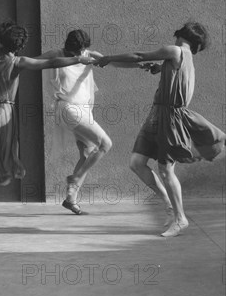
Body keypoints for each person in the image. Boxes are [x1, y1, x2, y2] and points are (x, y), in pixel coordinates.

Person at [94, 22, 226, 237]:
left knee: (166, 169)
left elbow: (138, 56)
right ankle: (169, 206)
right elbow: (173, 75)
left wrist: (108, 58)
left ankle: (180, 218)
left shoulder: (174, 50)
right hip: (157, 115)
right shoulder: (183, 57)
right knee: (137, 163)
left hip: (169, 118)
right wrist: (159, 69)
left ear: (181, 36)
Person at [0, 20, 95, 233]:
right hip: (0, 115)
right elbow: (50, 63)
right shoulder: (18, 62)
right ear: (19, 46)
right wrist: (78, 58)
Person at [37, 29, 141, 214]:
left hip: (84, 110)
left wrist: (141, 66)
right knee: (106, 143)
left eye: (82, 51)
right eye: (77, 52)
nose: (79, 55)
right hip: (69, 109)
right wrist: (11, 59)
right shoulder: (57, 55)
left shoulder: (88, 54)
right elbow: (35, 61)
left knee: (88, 153)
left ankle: (71, 199)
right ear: (69, 47)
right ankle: (75, 179)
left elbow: (113, 62)